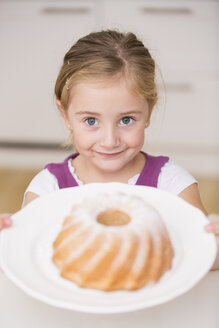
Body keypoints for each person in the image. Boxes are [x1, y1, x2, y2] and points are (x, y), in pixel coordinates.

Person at [0, 30, 218, 269]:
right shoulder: (47, 189)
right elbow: (27, 260)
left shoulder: (174, 185)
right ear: (66, 115)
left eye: (126, 120)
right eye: (91, 121)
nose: (109, 140)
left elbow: (205, 257)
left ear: (149, 112)